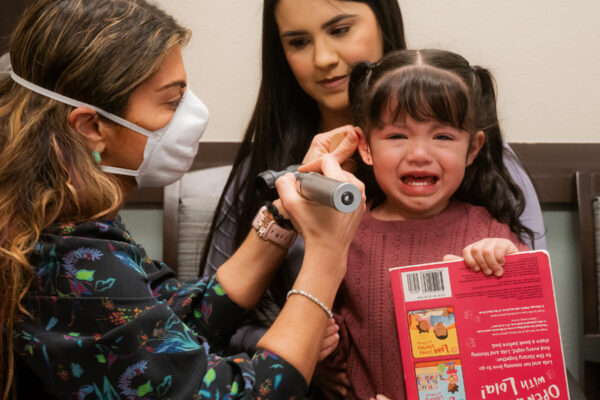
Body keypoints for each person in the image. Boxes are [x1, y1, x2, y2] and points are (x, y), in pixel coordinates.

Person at [0, 0, 366, 398]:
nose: (191, 115)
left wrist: (284, 213)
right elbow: (238, 394)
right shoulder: (63, 259)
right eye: (172, 102)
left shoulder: (65, 214)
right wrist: (327, 253)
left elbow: (179, 323)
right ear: (91, 126)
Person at [200, 0, 545, 366]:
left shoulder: (490, 169)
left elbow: (526, 309)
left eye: (340, 30)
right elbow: (208, 321)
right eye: (298, 42)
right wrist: (303, 348)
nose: (323, 59)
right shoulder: (264, 174)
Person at [327, 48, 533, 399]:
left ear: (472, 149)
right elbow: (341, 347)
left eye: (443, 137)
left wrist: (509, 265)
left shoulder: (489, 232)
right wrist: (324, 347)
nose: (419, 154)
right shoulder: (345, 233)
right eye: (397, 136)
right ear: (365, 147)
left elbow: (526, 335)